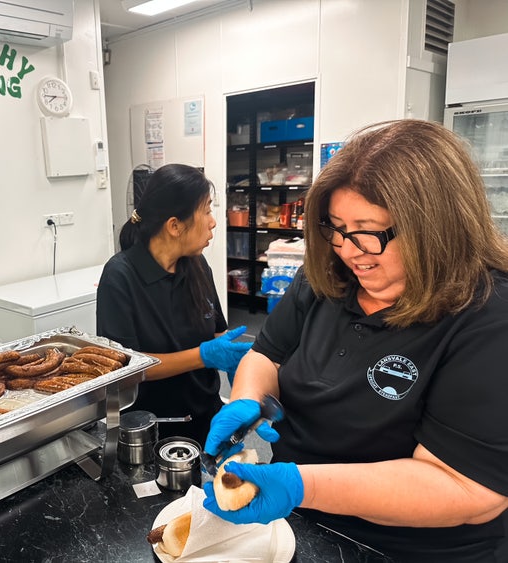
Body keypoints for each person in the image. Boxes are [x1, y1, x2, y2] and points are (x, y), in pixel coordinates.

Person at [202, 119, 508, 562]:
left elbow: (468, 489)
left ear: (436, 228)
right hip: (302, 520)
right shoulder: (327, 276)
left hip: (404, 547)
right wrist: (246, 398)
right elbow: (267, 354)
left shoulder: (487, 316)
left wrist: (302, 485)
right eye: (337, 227)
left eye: (368, 231)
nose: (348, 249)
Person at [96, 163, 251, 447]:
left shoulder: (197, 265)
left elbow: (217, 333)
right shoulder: (120, 276)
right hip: (154, 429)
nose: (213, 222)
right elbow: (125, 369)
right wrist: (203, 356)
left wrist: (244, 390)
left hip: (207, 414)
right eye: (206, 211)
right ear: (175, 226)